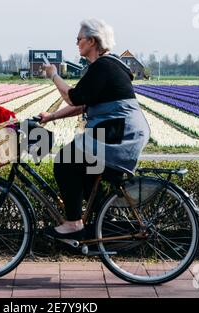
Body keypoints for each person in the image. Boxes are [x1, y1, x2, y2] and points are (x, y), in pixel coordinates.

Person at [39, 18, 150, 240]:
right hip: (120, 128)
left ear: (91, 40)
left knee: (65, 161)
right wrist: (52, 116)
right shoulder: (109, 65)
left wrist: (54, 75)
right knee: (89, 171)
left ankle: (73, 224)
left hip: (119, 130)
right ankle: (103, 225)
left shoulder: (103, 67)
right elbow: (83, 104)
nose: (76, 43)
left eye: (78, 39)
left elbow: (73, 98)